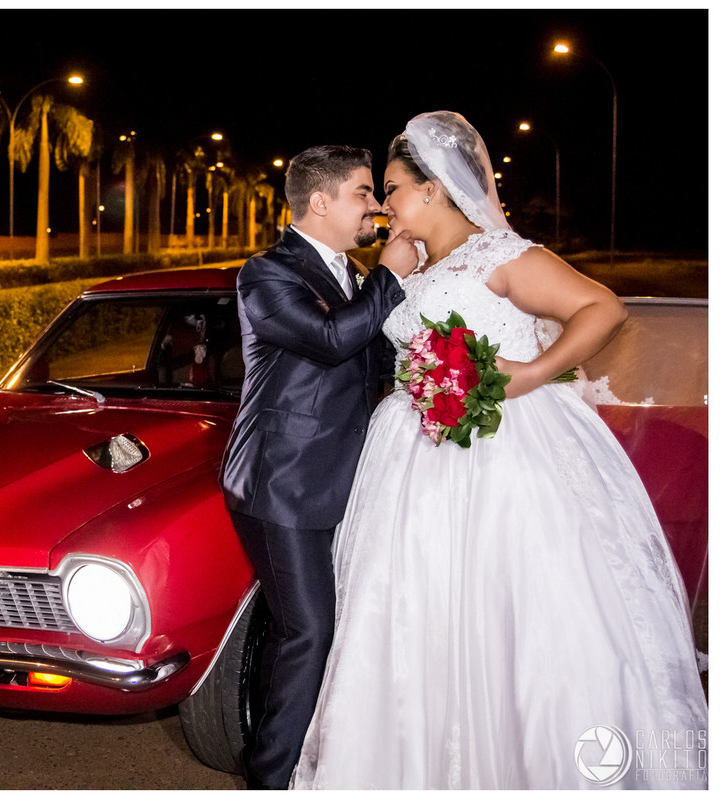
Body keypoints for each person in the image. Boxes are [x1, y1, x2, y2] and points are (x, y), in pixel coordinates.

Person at [289, 111, 708, 789]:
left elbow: (601, 307)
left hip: (505, 453)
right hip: (408, 461)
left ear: (431, 189)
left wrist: (529, 373)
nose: (382, 203)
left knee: (511, 617)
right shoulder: (410, 266)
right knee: (409, 622)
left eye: (390, 188)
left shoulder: (502, 254)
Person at [219, 145, 416, 790]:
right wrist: (390, 276)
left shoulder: (353, 274)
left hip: (347, 480)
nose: (378, 207)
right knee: (309, 630)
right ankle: (270, 779)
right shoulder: (266, 273)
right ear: (321, 202)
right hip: (284, 482)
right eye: (365, 193)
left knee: (308, 629)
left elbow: (371, 367)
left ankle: (302, 759)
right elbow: (332, 340)